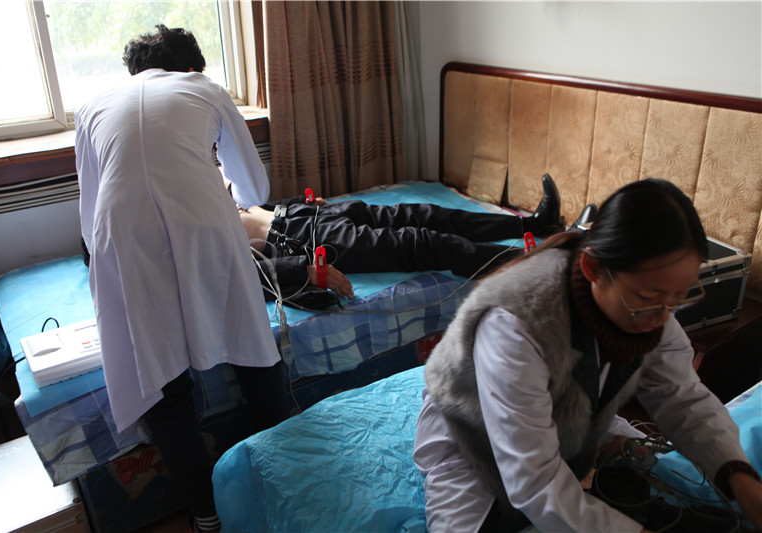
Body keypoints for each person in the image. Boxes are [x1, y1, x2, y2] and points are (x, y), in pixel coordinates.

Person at [413, 178, 762, 532]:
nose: (663, 317)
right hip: (471, 436)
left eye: (679, 297)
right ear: (593, 269)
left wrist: (739, 476)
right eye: (649, 297)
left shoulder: (649, 307)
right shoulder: (516, 324)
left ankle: (603, 443)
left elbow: (682, 397)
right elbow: (535, 482)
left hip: (557, 418)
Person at [75, 25, 289, 533]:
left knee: (167, 389)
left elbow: (89, 211)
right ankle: (285, 487)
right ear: (191, 67)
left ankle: (205, 517)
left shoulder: (91, 107)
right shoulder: (204, 89)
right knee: (255, 355)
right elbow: (254, 188)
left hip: (123, 235)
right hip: (203, 223)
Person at [239, 174, 577, 303]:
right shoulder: (204, 235)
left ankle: (535, 224)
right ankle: (534, 264)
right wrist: (304, 270)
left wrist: (299, 202)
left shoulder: (210, 191)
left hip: (300, 215)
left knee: (424, 213)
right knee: (422, 243)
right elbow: (239, 272)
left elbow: (254, 211)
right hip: (300, 240)